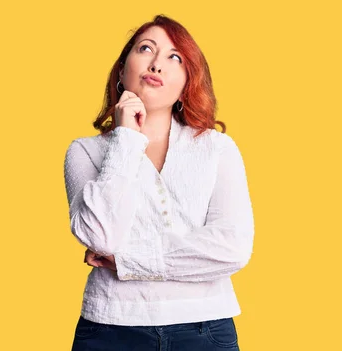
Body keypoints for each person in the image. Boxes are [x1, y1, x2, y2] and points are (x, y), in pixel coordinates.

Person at [62, 14, 254, 350]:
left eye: (174, 57)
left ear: (186, 82)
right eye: (145, 48)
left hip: (205, 329)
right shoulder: (85, 152)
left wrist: (126, 260)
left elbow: (232, 249)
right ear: (122, 72)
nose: (156, 64)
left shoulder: (216, 148)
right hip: (110, 327)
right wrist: (124, 137)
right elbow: (100, 236)